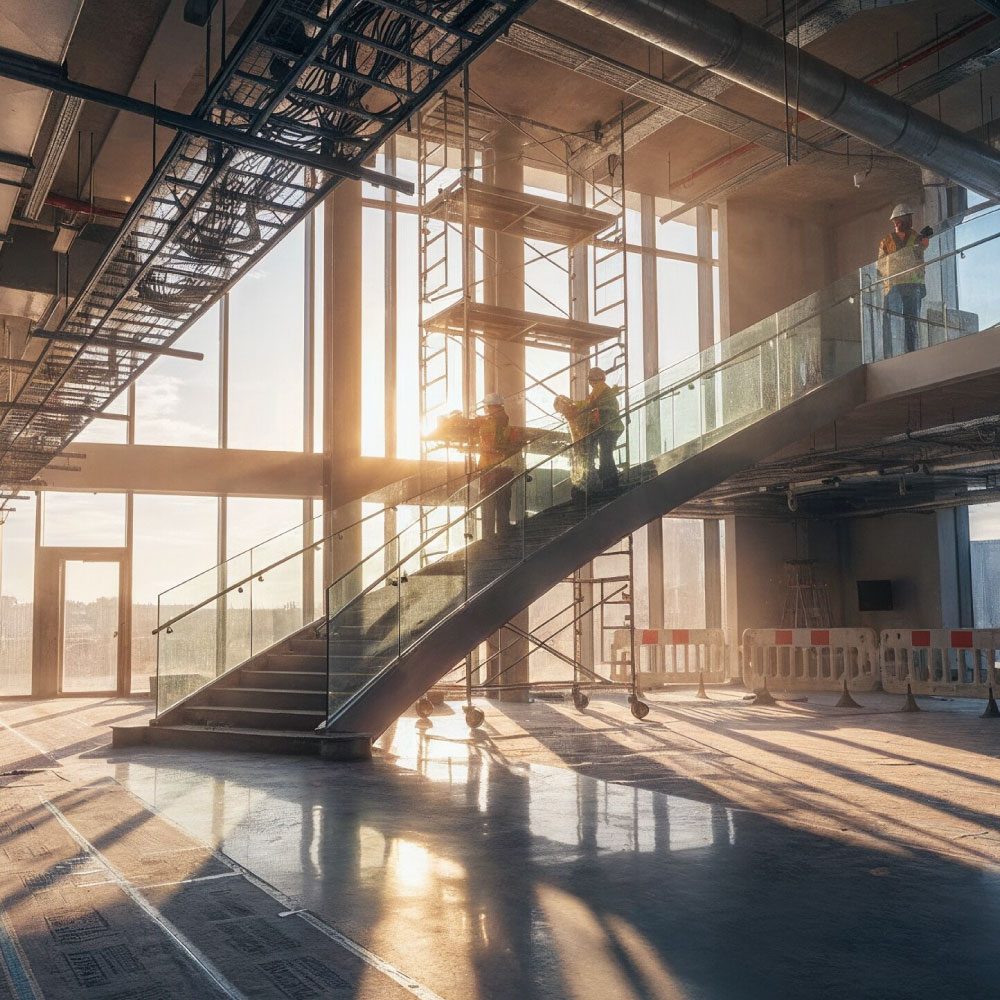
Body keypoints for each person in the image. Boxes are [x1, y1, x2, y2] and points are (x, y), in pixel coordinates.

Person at [877, 203, 932, 357]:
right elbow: (881, 264)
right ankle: (889, 353)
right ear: (898, 221)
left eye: (910, 217)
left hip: (913, 283)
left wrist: (924, 242)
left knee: (912, 319)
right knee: (890, 319)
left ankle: (911, 351)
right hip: (894, 284)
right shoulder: (886, 241)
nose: (911, 220)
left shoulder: (917, 237)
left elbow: (921, 255)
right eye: (907, 218)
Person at [557, 368, 624, 492]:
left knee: (605, 454)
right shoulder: (602, 389)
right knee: (605, 453)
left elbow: (588, 404)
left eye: (590, 379)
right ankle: (607, 480)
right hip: (609, 427)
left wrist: (574, 405)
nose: (590, 382)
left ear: (593, 379)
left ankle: (610, 482)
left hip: (610, 427)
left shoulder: (600, 388)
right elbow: (591, 403)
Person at [474, 393, 519, 539]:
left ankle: (488, 536)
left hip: (490, 468)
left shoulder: (489, 423)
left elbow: (488, 445)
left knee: (488, 502)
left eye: (487, 407)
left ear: (490, 407)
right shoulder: (503, 422)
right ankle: (503, 531)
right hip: (503, 468)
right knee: (502, 501)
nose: (486, 410)